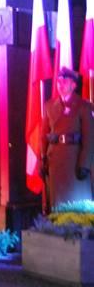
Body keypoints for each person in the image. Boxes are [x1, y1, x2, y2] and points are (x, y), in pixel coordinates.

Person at [40, 67, 93, 211]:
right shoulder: (50, 106)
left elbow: (89, 138)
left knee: (77, 202)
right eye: (58, 81)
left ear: (74, 85)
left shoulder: (84, 106)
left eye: (64, 81)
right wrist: (42, 158)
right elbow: (44, 134)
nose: (60, 84)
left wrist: (84, 164)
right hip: (55, 160)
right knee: (58, 203)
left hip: (75, 160)